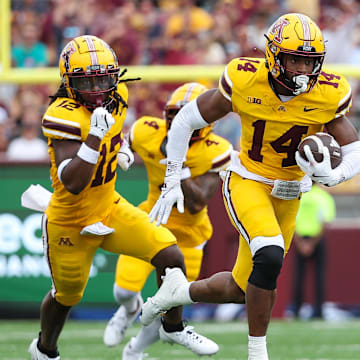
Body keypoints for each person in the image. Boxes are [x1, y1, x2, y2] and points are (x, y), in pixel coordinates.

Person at [140, 13, 360, 360]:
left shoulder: (329, 93)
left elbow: (353, 146)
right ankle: (258, 353)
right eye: (295, 60)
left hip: (290, 192)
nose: (303, 70)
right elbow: (184, 120)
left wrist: (337, 174)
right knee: (269, 253)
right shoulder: (245, 80)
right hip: (249, 180)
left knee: (245, 288)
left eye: (310, 61)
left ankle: (175, 293)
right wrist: (172, 180)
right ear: (274, 56)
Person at [27, 35, 218, 360]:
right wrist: (94, 139)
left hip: (109, 206)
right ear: (69, 84)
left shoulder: (118, 95)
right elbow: (72, 181)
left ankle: (171, 328)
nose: (100, 88)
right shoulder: (63, 114)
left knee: (170, 254)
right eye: (88, 81)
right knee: (66, 296)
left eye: (105, 78)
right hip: (70, 221)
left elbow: (117, 135)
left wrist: (121, 149)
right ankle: (45, 350)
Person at [102, 82, 232, 359]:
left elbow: (198, 202)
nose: (177, 121)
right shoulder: (147, 131)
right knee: (123, 290)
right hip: (151, 222)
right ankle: (128, 309)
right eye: (173, 114)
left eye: (185, 115)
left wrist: (179, 166)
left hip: (189, 235)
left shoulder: (216, 149)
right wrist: (122, 150)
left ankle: (134, 350)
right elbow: (125, 140)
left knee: (168, 305)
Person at [291, 183, 336, 319]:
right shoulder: (323, 197)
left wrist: (301, 243)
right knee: (319, 277)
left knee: (298, 277)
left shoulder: (298, 196)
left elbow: (291, 221)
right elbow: (325, 223)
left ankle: (297, 311)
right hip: (317, 240)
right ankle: (319, 312)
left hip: (300, 239)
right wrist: (312, 243)